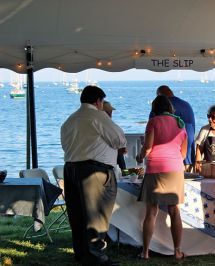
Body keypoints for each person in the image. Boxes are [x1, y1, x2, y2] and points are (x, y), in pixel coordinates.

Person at [61, 85, 127, 266]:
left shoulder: (70, 119)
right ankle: (96, 257)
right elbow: (119, 139)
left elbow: (65, 145)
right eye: (102, 102)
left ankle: (81, 253)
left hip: (71, 168)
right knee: (97, 215)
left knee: (78, 214)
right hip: (93, 171)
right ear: (98, 101)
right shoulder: (98, 116)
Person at [136, 95, 187, 260]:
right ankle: (177, 251)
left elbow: (148, 148)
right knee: (174, 210)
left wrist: (139, 156)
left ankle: (145, 252)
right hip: (175, 169)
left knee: (151, 211)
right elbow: (184, 153)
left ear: (154, 109)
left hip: (155, 168)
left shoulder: (153, 122)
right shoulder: (181, 123)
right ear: (170, 108)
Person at [150, 85, 195, 171]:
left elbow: (153, 128)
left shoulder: (160, 108)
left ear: (160, 96)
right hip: (188, 150)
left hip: (168, 158)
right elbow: (192, 126)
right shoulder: (186, 105)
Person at [102, 101, 126, 171]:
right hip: (108, 165)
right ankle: (125, 173)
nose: (111, 114)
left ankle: (127, 172)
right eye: (109, 112)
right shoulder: (109, 126)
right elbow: (122, 149)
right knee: (119, 153)